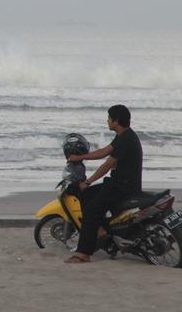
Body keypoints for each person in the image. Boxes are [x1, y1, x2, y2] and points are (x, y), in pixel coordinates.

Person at [64, 104, 143, 263]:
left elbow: (107, 164)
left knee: (92, 209)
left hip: (123, 186)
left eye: (109, 118)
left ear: (116, 121)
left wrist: (87, 181)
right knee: (85, 194)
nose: (107, 121)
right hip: (117, 183)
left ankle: (84, 253)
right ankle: (100, 230)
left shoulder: (126, 139)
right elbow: (104, 152)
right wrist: (80, 158)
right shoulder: (123, 135)